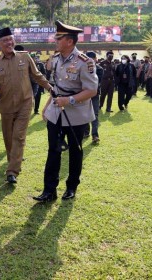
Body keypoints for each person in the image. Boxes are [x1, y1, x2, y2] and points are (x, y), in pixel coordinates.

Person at [33, 21, 98, 202]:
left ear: (69, 41)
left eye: (58, 38)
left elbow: (92, 90)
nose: (55, 40)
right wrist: (47, 106)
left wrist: (68, 100)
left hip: (77, 114)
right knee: (53, 150)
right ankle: (49, 190)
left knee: (75, 152)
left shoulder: (85, 62)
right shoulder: (54, 59)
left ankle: (71, 187)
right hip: (56, 112)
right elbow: (56, 87)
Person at [0, 27, 53, 184]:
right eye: (5, 40)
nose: (9, 43)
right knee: (8, 138)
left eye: (11, 39)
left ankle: (12, 171)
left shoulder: (25, 57)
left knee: (19, 136)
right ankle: (14, 160)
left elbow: (37, 75)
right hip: (6, 106)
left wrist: (51, 88)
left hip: (25, 103)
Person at [84, 51, 103, 144]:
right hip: (83, 95)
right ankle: (86, 132)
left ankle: (95, 135)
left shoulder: (99, 69)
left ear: (95, 59)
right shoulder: (82, 68)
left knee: (95, 115)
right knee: (85, 114)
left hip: (94, 94)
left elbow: (96, 83)